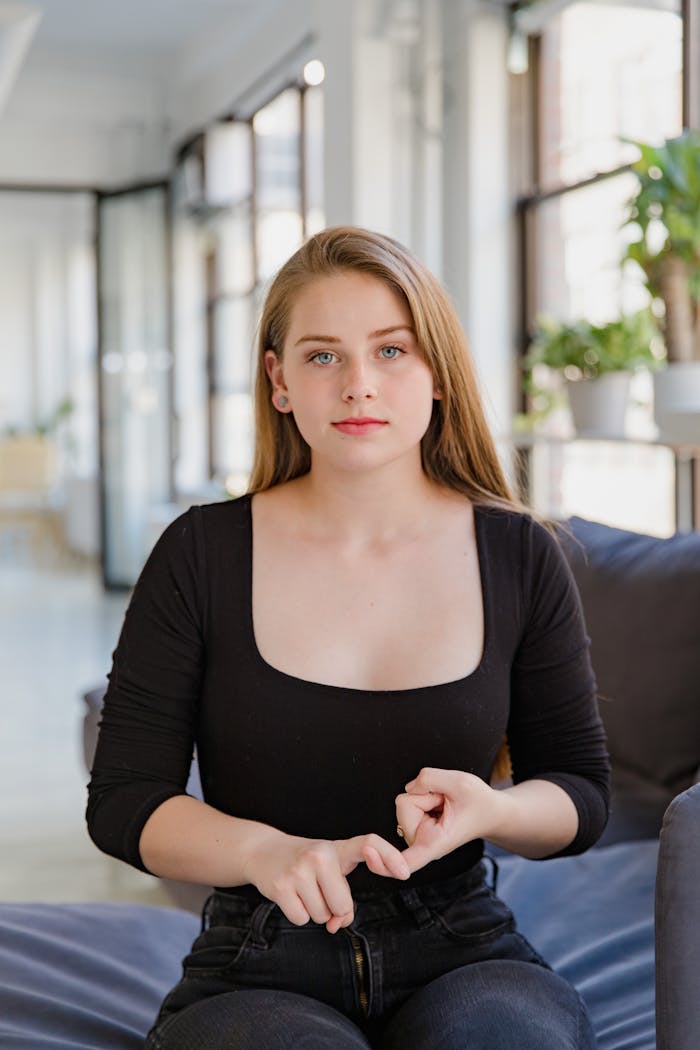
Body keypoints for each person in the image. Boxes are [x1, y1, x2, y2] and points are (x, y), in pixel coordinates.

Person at [87, 226, 610, 1049]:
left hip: (465, 948)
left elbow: (580, 793)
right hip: (256, 957)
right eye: (323, 356)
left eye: (392, 351)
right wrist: (264, 852)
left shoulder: (517, 553)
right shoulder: (203, 552)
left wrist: (492, 809)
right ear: (279, 381)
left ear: (437, 373)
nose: (359, 384)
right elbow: (123, 803)